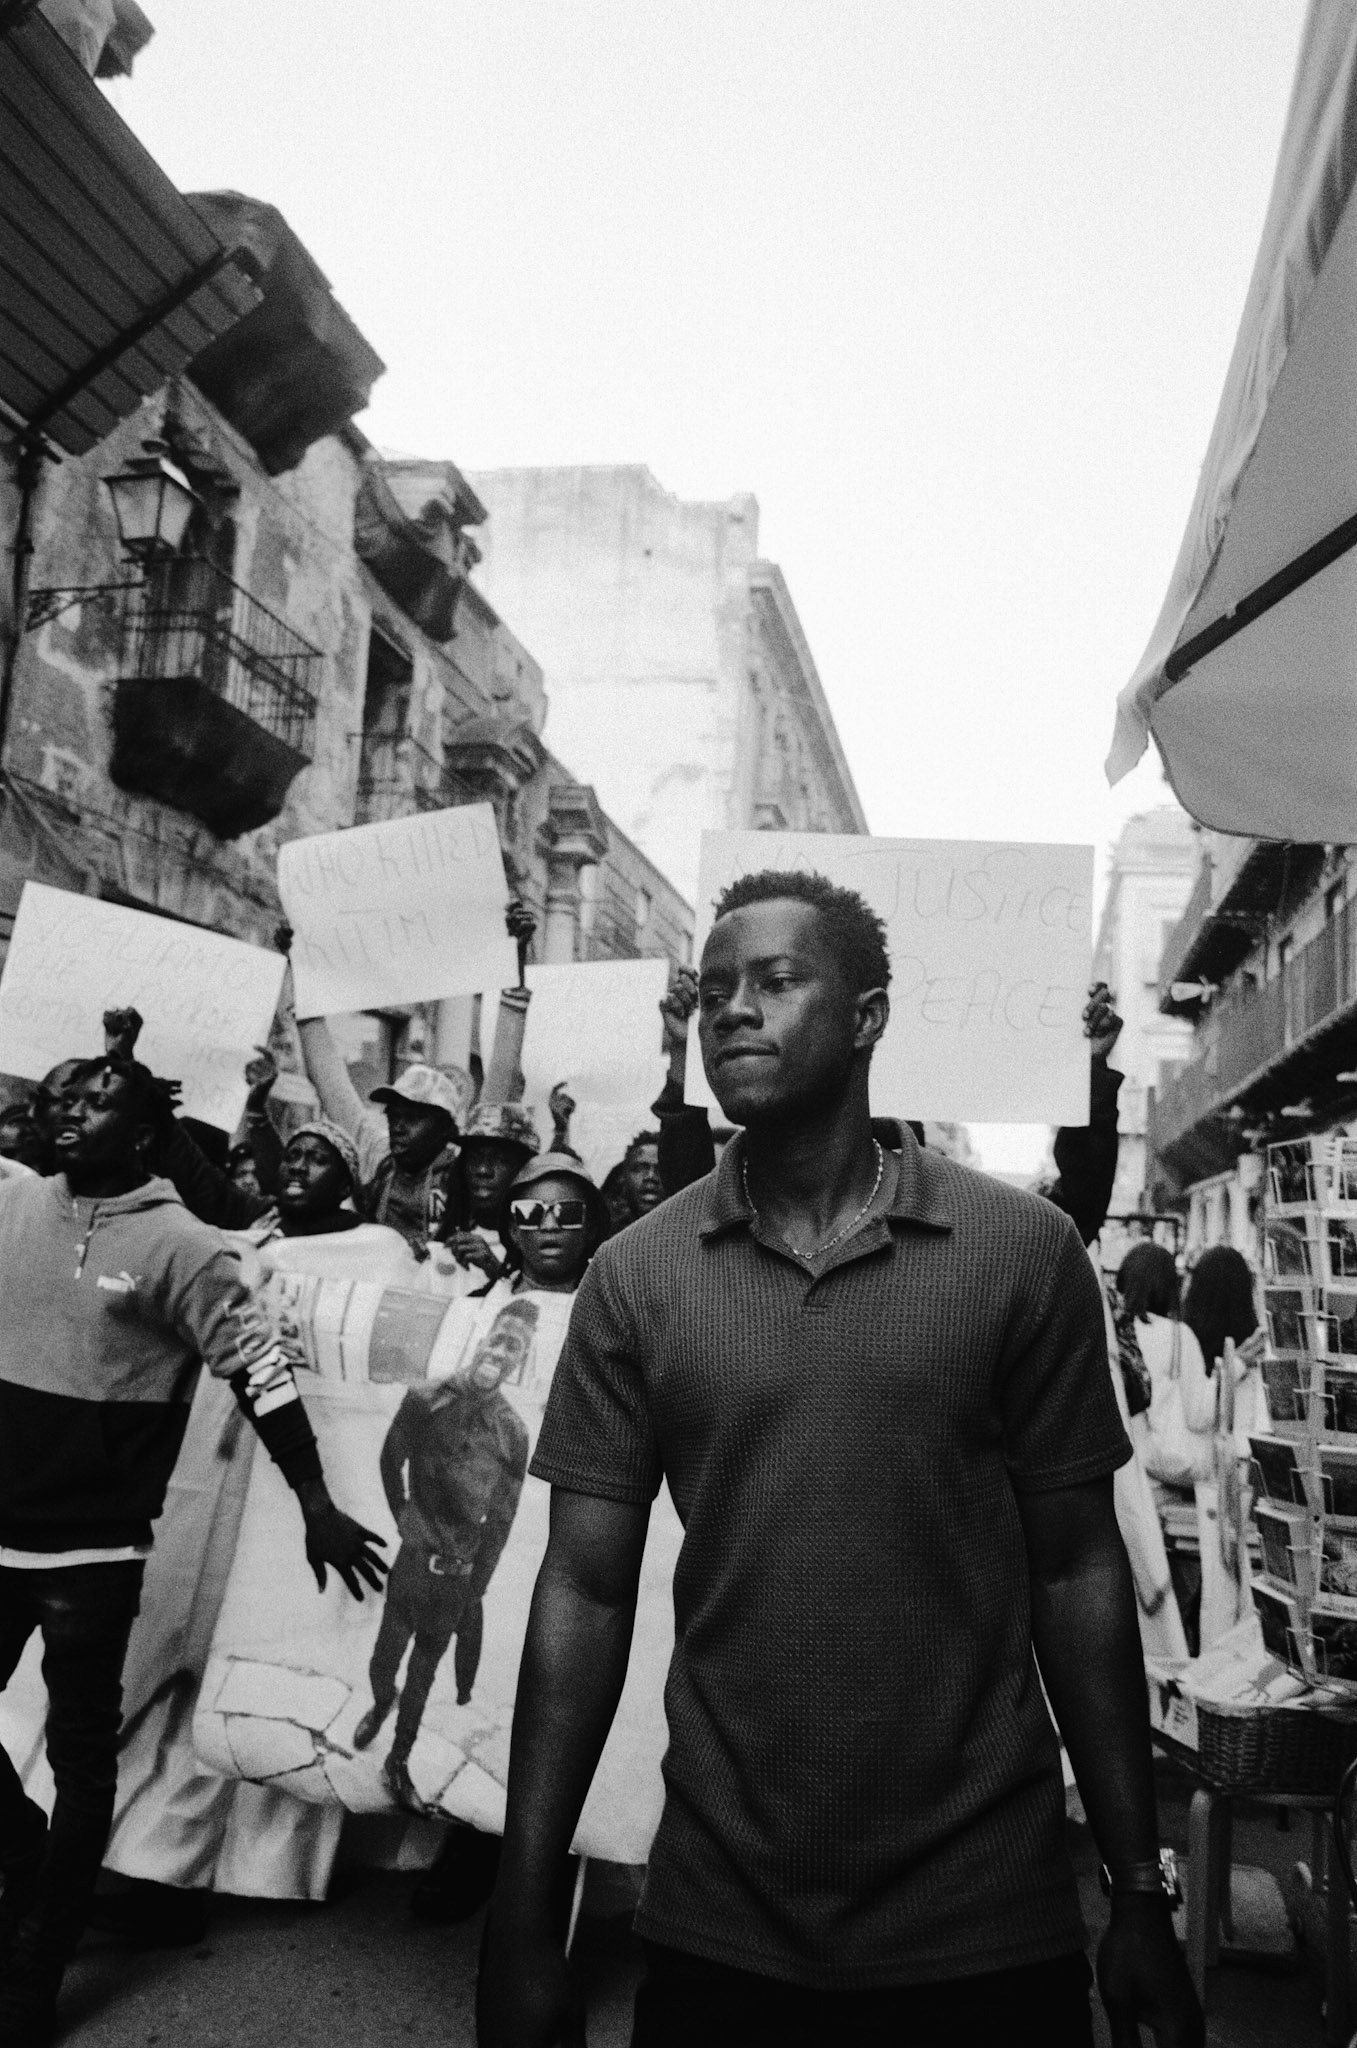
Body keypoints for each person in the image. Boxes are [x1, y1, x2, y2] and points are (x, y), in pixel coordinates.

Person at [479, 867, 1201, 2048]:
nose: (732, 1008)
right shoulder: (635, 1274)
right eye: (716, 987)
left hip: (986, 1919)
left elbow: (1078, 1569)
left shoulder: (1021, 1252)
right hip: (717, 1914)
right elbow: (584, 1586)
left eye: (774, 980)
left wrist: (1136, 1892)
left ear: (867, 1016)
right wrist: (519, 1920)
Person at [0, 1057, 386, 2046]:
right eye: (64, 1093)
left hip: (89, 1552)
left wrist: (316, 1501)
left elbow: (261, 1371)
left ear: (144, 1133)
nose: (67, 1108)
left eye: (97, 1100)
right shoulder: (16, 1202)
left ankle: (36, 1963)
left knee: (84, 1759)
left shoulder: (185, 1245)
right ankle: (32, 1860)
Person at [353, 1303, 534, 1810]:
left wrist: (476, 1588)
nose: (501, 1352)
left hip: (456, 1580)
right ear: (482, 1340)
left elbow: (503, 1519)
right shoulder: (425, 1397)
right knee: (384, 1661)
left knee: (423, 1675)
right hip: (412, 1566)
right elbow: (391, 1458)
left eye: (514, 1348)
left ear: (518, 1363)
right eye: (498, 1339)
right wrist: (402, 1516)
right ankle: (380, 1702)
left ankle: (398, 1761)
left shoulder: (513, 1432)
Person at [1117, 1241, 1214, 1656]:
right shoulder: (1179, 1336)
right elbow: (1198, 1413)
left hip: (1128, 1479)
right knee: (1177, 1591)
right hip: (1169, 1485)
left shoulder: (1115, 1333)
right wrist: (1235, 1370)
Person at [1182, 1247, 1269, 1650]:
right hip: (1234, 1479)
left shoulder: (1193, 1339)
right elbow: (1203, 1413)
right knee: (1233, 1581)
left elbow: (1197, 1415)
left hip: (1209, 1481)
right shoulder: (1248, 1348)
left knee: (1219, 1580)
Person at [438, 1101, 540, 1287]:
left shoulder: (540, 1246)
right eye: (475, 1158)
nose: (483, 1170)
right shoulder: (447, 1234)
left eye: (500, 1159)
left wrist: (497, 1272)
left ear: (523, 1169)